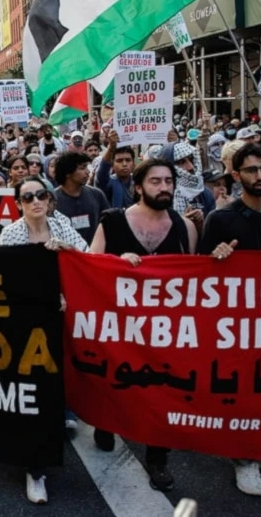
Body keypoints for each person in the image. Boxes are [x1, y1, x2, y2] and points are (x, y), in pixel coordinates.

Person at [88, 159, 198, 492]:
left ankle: (157, 456)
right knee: (115, 381)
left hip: (164, 331)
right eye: (155, 181)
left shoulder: (184, 227)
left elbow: (193, 278)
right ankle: (107, 422)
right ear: (139, 187)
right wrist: (115, 264)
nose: (164, 187)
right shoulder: (112, 221)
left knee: (160, 391)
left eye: (168, 181)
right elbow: (90, 267)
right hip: (119, 327)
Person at [200, 143, 261, 497]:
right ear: (236, 175)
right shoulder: (221, 218)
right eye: (251, 170)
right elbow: (198, 274)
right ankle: (243, 458)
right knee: (241, 390)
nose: (259, 176)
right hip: (234, 324)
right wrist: (216, 257)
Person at [0, 174, 84, 504]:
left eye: (40, 195)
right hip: (24, 327)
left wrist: (69, 254)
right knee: (31, 393)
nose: (35, 201)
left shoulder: (61, 227)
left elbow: (88, 260)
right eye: (28, 196)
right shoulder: (10, 234)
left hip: (60, 323)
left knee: (54, 386)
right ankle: (35, 470)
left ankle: (57, 425)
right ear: (18, 204)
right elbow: (0, 282)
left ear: (49, 200)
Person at [53, 152, 110, 244]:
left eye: (87, 167)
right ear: (68, 173)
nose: (87, 172)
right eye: (82, 168)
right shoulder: (52, 199)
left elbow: (108, 224)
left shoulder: (96, 194)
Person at [94, 131, 136, 209]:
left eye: (128, 160)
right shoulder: (110, 182)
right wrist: (111, 149)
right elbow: (101, 174)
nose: (124, 164)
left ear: (134, 163)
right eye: (119, 161)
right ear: (112, 165)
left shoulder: (139, 181)